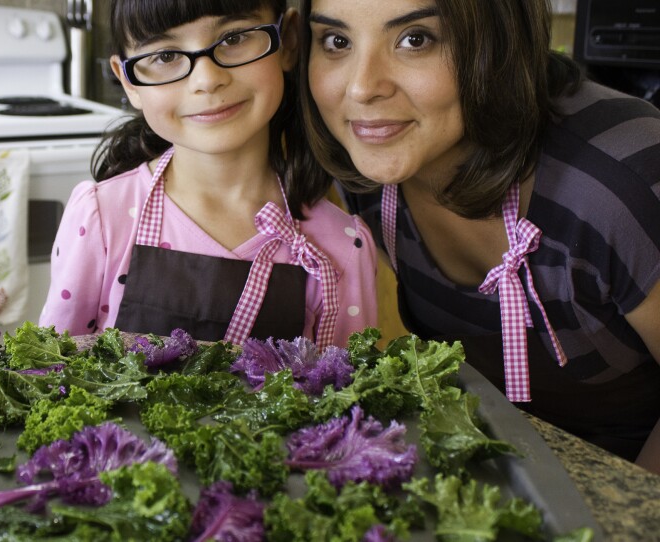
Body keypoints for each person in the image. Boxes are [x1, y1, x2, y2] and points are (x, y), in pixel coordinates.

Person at [294, 0, 660, 473]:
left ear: (501, 38)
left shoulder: (621, 177)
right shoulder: (369, 170)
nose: (362, 88)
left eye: (416, 39)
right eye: (337, 41)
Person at [39, 0, 378, 350]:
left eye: (234, 38)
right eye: (166, 56)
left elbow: (345, 396)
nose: (207, 80)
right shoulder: (101, 219)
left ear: (288, 41)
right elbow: (47, 374)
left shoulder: (342, 246)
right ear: (129, 82)